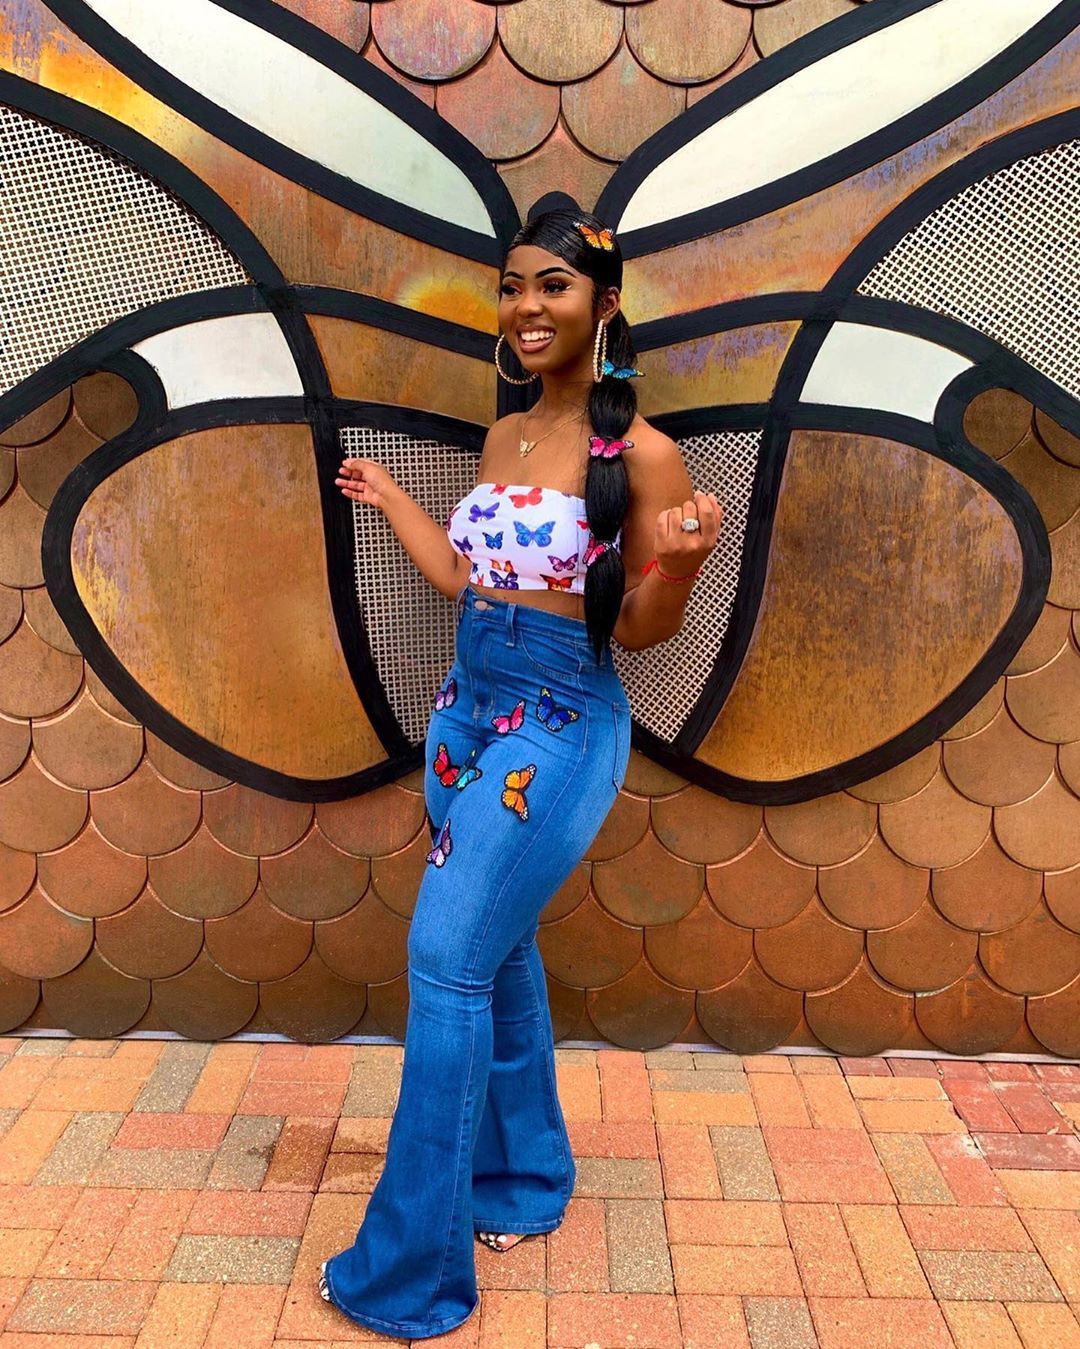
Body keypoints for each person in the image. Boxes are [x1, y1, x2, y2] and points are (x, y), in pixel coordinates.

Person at [319, 203, 722, 1339]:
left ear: (604, 303)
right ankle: (526, 1178)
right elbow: (466, 577)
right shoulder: (504, 437)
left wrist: (680, 566)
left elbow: (636, 629)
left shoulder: (644, 456)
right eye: (511, 287)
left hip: (560, 716)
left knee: (445, 957)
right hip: (469, 708)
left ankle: (411, 1273)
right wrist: (393, 498)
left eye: (553, 285)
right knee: (495, 953)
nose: (526, 307)